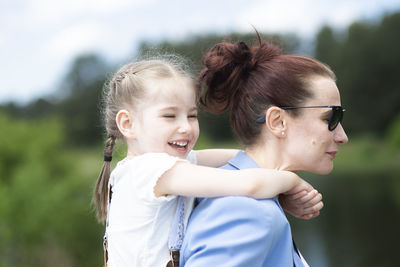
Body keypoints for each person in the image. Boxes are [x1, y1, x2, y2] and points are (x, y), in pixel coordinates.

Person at [92, 57, 323, 267]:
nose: (186, 127)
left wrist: (274, 173)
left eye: (192, 115)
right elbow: (247, 184)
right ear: (127, 123)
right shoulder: (151, 171)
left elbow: (239, 158)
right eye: (169, 116)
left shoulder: (152, 167)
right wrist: (290, 180)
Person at [180, 37, 348, 266]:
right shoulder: (247, 211)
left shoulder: (249, 196)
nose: (342, 137)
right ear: (278, 121)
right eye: (330, 118)